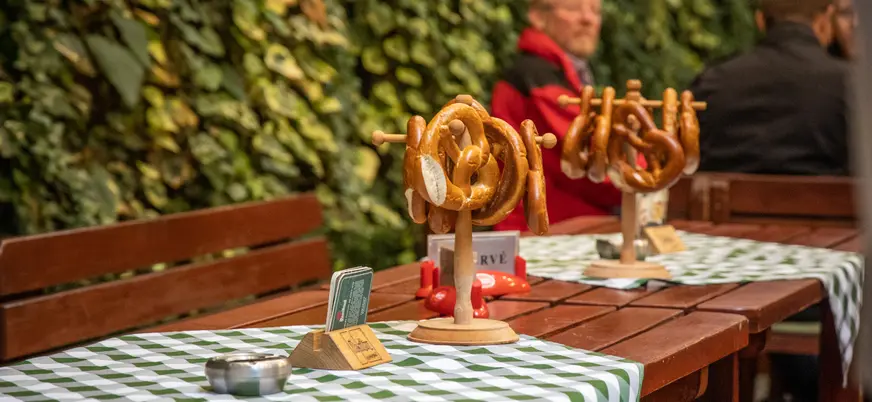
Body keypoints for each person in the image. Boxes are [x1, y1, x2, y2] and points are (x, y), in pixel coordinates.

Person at [489, 0, 633, 232]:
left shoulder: (566, 72)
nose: (588, 19)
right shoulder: (538, 78)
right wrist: (645, 177)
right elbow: (586, 160)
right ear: (538, 16)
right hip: (546, 230)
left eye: (595, 11)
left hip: (569, 224)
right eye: (573, 8)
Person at [689, 0, 850, 177]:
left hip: (727, 204)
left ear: (760, 21)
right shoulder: (851, 84)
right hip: (826, 203)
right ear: (823, 21)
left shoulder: (714, 81)